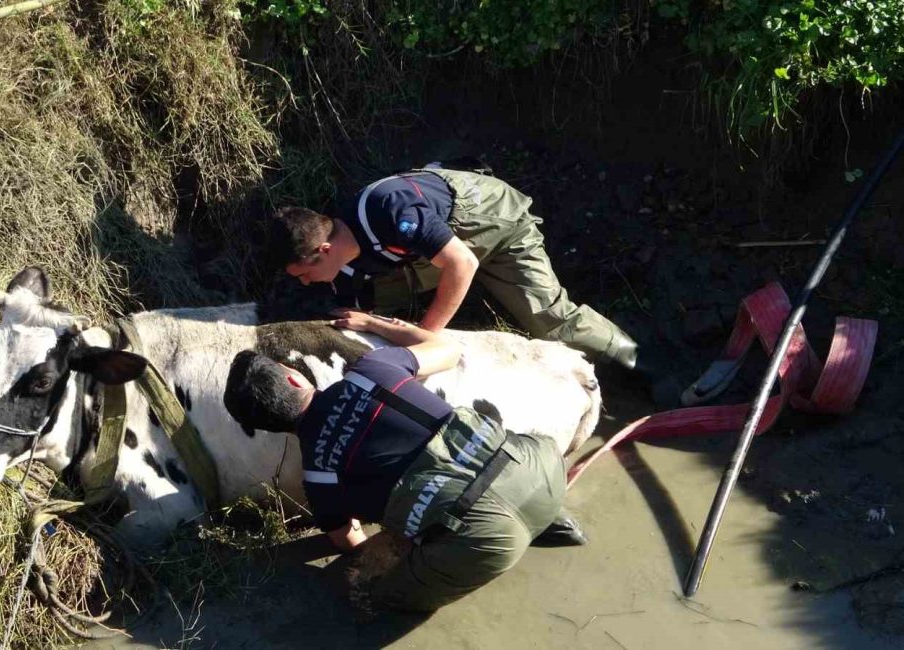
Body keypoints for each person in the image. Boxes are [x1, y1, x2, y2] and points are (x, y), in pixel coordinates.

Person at [222, 311, 569, 612]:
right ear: (294, 377)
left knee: (370, 589)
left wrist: (403, 542)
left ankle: (519, 526)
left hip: (489, 543)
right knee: (501, 459)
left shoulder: (319, 478)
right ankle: (552, 519)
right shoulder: (371, 370)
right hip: (542, 469)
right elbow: (448, 351)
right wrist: (377, 323)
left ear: (270, 427)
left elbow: (349, 543)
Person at [267, 164, 669, 396]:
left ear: (322, 250)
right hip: (439, 247)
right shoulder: (344, 258)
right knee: (368, 302)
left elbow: (462, 263)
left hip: (497, 226)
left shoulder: (388, 210)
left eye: (305, 275)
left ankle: (644, 360)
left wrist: (425, 340)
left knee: (548, 319)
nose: (306, 283)